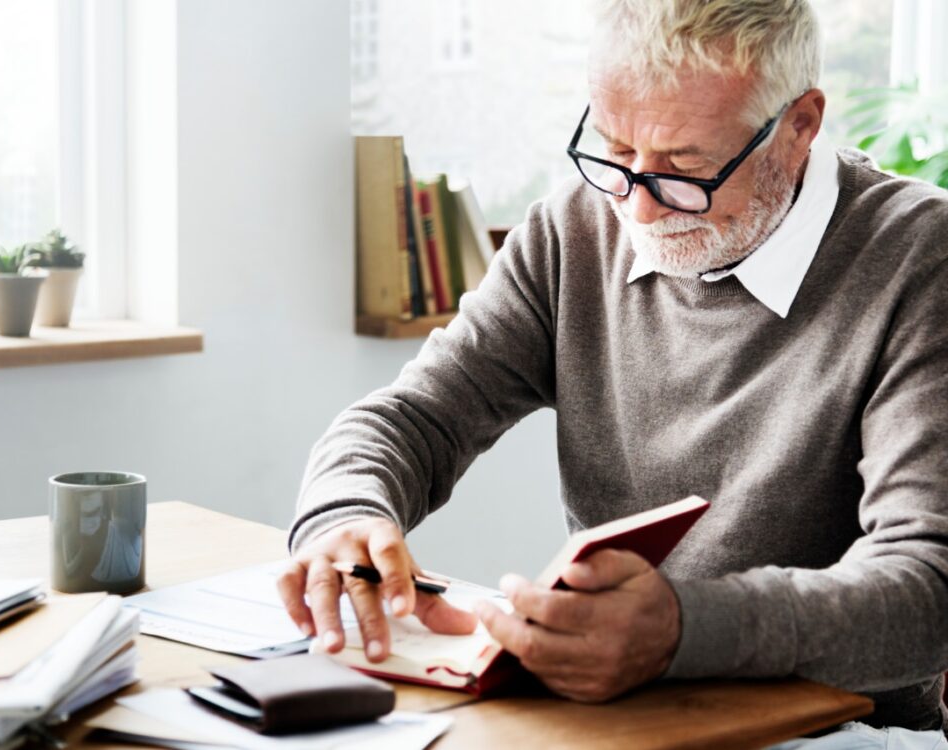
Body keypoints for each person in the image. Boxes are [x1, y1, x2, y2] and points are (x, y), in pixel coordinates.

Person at [278, 0, 948, 743]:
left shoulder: (921, 259)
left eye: (685, 169)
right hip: (616, 719)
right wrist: (344, 514)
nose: (639, 209)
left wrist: (684, 630)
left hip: (840, 730)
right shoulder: (577, 225)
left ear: (799, 127)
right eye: (613, 149)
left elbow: (927, 590)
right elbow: (417, 418)